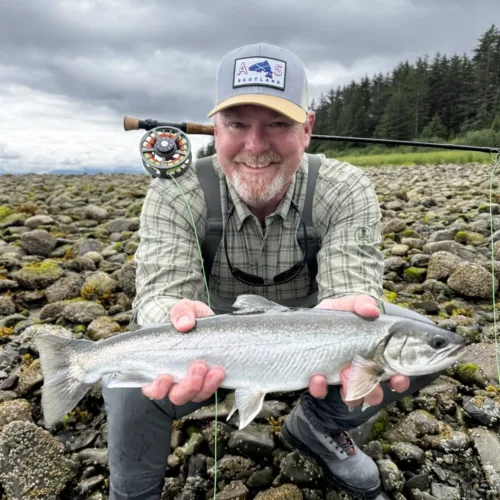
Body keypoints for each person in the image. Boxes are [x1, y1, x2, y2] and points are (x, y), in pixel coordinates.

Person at [102, 42, 438, 500]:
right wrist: (173, 315)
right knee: (126, 386)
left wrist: (354, 319)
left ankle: (316, 427)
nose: (255, 146)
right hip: (209, 327)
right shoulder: (176, 192)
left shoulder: (345, 187)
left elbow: (353, 290)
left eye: (278, 124)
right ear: (215, 128)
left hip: (315, 320)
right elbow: (158, 297)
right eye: (237, 124)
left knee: (416, 343)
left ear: (307, 128)